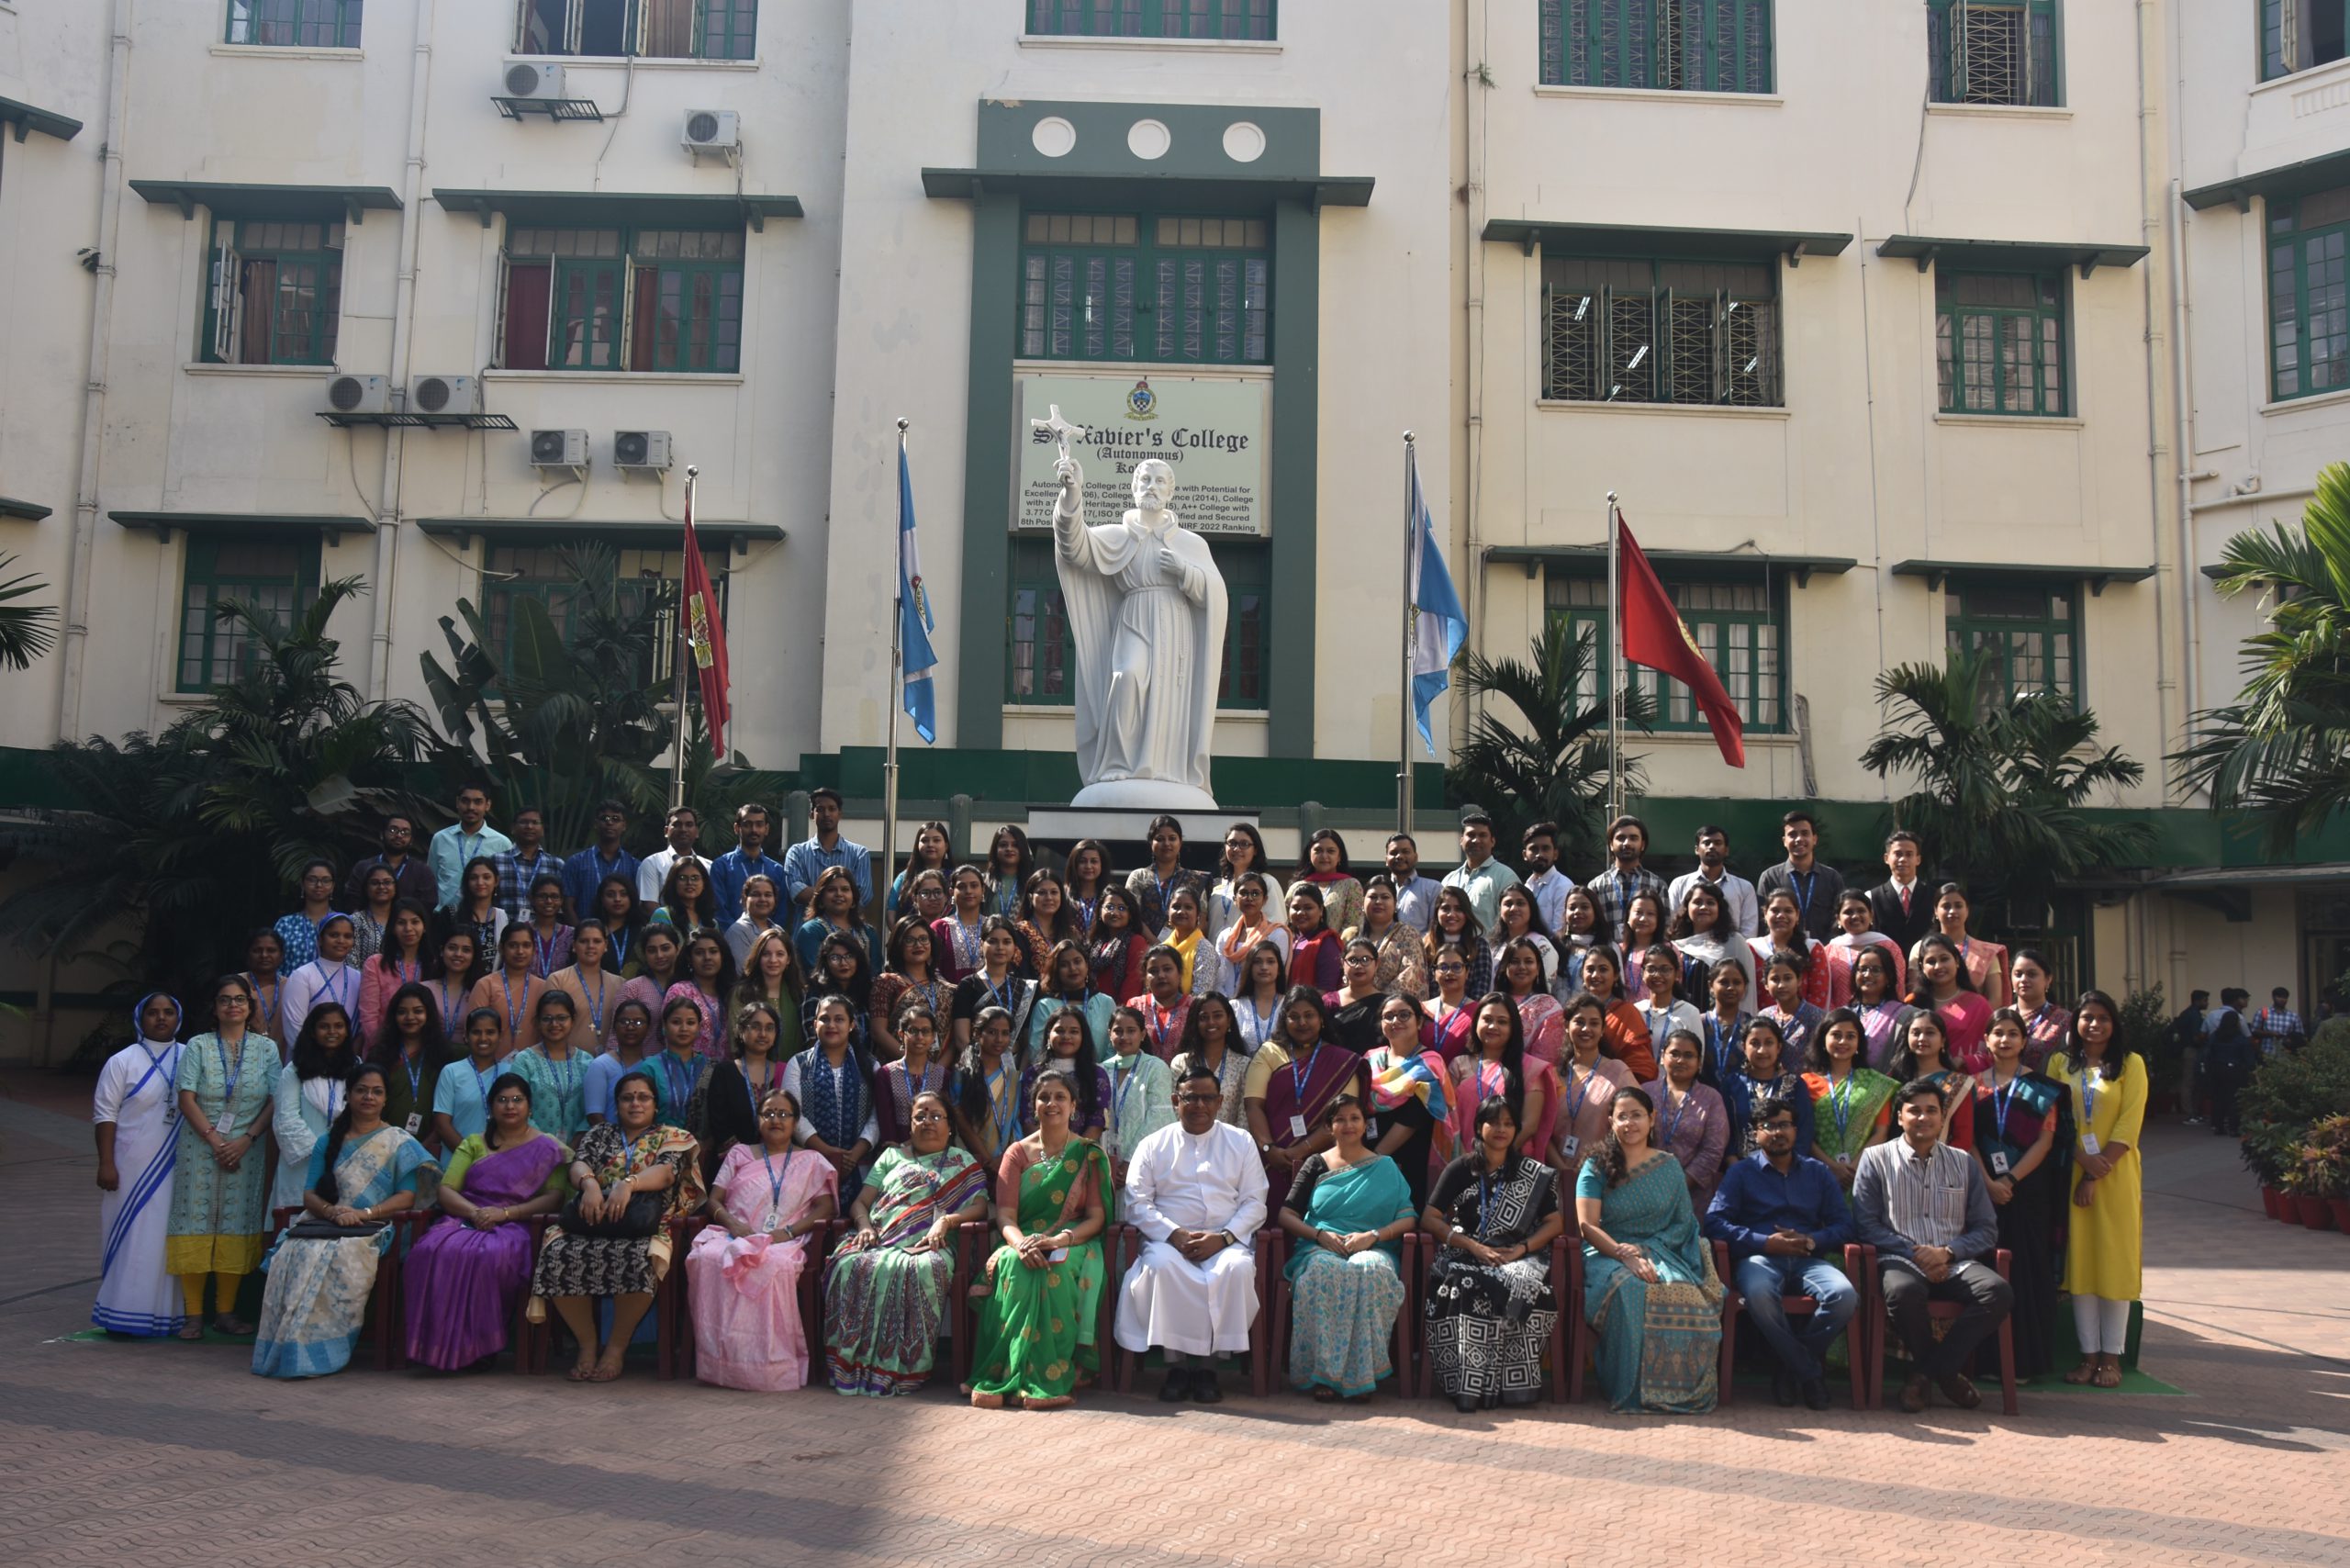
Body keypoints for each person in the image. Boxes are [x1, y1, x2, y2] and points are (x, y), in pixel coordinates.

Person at [250, 1063, 437, 1378]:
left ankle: (319, 1352)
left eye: (377, 1092)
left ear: (385, 1099)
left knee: (340, 1258)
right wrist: (333, 1211)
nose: (369, 1097)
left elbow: (407, 1197)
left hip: (373, 1229)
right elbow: (310, 1194)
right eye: (361, 1090)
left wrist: (363, 1214)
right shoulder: (327, 1140)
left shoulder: (398, 1141)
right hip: (327, 1222)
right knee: (295, 1255)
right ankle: (288, 1348)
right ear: (348, 1096)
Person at [1852, 1078, 2014, 1413]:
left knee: (1998, 1292)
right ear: (1900, 1117)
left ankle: (1928, 1372)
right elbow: (1866, 1224)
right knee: (1902, 1291)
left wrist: (1947, 1252)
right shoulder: (1875, 1158)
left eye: (1931, 1111)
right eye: (1914, 1111)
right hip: (1900, 1257)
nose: (1923, 1118)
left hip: (1954, 1258)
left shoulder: (1963, 1162)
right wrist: (1917, 1252)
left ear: (1943, 1118)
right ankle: (1945, 1373)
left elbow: (1986, 1228)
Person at [532, 1070, 705, 1383]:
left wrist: (629, 1184)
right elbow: (579, 1164)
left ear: (655, 1104)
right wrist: (589, 1185)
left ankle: (615, 1348)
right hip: (592, 1220)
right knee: (556, 1250)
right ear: (616, 1104)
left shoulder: (672, 1135)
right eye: (627, 1098)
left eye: (643, 1097)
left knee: (642, 1256)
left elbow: (667, 1173)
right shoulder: (600, 1135)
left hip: (646, 1225)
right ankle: (587, 1345)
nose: (635, 1104)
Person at [824, 1089, 991, 1396]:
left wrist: (946, 1220)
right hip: (880, 1239)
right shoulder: (891, 1156)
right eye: (920, 1116)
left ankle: (905, 1368)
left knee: (922, 1269)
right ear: (911, 1123)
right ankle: (854, 1365)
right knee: (850, 1264)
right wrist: (863, 1226)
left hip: (934, 1245)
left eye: (936, 1116)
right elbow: (861, 1202)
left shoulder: (963, 1160)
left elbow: (980, 1206)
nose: (928, 1122)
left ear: (950, 1126)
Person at [400, 1072, 572, 1372]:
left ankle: (479, 1349)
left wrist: (506, 1214)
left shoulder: (548, 1148)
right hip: (467, 1217)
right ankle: (433, 1349)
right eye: (502, 1100)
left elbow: (555, 1198)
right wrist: (475, 1213)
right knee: (428, 1250)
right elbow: (446, 1190)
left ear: (530, 1107)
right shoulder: (474, 1143)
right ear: (491, 1107)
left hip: (518, 1225)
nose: (510, 1106)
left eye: (517, 1100)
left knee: (487, 1256)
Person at [1116, 1070, 1269, 1404]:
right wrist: (1174, 1235)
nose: (1199, 1105)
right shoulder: (1153, 1144)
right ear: (1175, 1101)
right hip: (1168, 1241)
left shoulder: (1240, 1141)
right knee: (1161, 1268)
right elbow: (1137, 1204)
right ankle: (1178, 1367)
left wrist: (1225, 1238)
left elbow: (1255, 1203)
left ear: (1220, 1102)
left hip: (1226, 1240)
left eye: (1207, 1098)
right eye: (1190, 1097)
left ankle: (1208, 1370)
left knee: (1236, 1270)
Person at [1703, 1096, 1859, 1409]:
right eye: (1768, 1126)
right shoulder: (1742, 1174)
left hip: (1808, 1259)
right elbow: (1714, 1223)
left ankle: (1790, 1368)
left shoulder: (1818, 1173)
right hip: (1759, 1259)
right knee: (1760, 1295)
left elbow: (1845, 1225)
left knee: (1844, 1295)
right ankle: (1809, 1374)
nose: (1777, 1132)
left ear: (1795, 1130)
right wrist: (1764, 1242)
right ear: (1756, 1134)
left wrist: (1811, 1240)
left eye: (1784, 1125)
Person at [970, 1073, 1116, 1408]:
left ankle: (1050, 1378)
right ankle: (1006, 1374)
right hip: (1021, 1239)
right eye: (1044, 1097)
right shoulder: (1016, 1153)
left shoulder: (1088, 1154)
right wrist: (1021, 1244)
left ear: (1073, 1106)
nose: (1051, 1104)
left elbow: (1096, 1218)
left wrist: (1060, 1240)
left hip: (1073, 1241)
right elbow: (1005, 1216)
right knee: (1013, 1265)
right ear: (1033, 1106)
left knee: (1057, 1270)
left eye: (1060, 1097)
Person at [1577, 1086, 1725, 1413]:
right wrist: (1624, 1254)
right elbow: (1587, 1226)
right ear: (1611, 1121)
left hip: (1660, 1252)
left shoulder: (1669, 1166)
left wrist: (1647, 1250)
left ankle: (1680, 1394)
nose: (1630, 1123)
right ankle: (1630, 1391)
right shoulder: (1596, 1165)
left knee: (1685, 1294)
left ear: (1652, 1118)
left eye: (1637, 1115)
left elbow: (1683, 1224)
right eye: (1622, 1116)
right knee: (1631, 1290)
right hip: (1605, 1254)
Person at [685, 1088, 840, 1391]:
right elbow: (714, 1200)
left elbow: (826, 1207)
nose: (776, 1120)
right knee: (708, 1257)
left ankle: (768, 1367)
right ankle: (722, 1362)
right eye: (769, 1113)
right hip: (733, 1232)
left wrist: (789, 1232)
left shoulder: (810, 1160)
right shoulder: (740, 1153)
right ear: (758, 1121)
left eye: (784, 1114)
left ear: (796, 1122)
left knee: (771, 1264)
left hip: (784, 1240)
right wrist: (733, 1224)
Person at [1421, 1097, 1563, 1410]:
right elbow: (1430, 1217)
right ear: (1478, 1127)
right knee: (1467, 1284)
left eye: (1508, 1123)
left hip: (1516, 1256)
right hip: (1465, 1256)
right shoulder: (1461, 1168)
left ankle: (1507, 1388)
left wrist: (1522, 1249)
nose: (1501, 1129)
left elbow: (1555, 1223)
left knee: (1531, 1289)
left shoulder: (1531, 1172)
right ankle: (1470, 1386)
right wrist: (1472, 1246)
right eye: (1494, 1122)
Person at [1277, 1094, 1416, 1400]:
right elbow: (1286, 1214)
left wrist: (1374, 1236)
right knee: (1322, 1272)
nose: (1348, 1124)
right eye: (1340, 1119)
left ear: (1366, 1125)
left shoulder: (1386, 1166)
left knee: (1370, 1269)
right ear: (1329, 1127)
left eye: (1355, 1118)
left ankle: (1361, 1375)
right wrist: (1318, 1236)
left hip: (1372, 1246)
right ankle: (1325, 1375)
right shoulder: (1317, 1164)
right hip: (1322, 1247)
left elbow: (1408, 1217)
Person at [168, 976, 278, 1338]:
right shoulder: (197, 1046)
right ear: (214, 1008)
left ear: (250, 1007)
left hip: (248, 1148)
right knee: (194, 1223)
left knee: (236, 1222)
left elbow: (274, 1100)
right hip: (201, 1148)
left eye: (240, 1000)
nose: (233, 1006)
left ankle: (226, 1313)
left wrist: (246, 1139)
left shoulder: (267, 1049)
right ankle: (193, 1315)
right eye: (225, 1000)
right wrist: (217, 1142)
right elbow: (186, 1099)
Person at [2049, 990, 2144, 1388]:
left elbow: (2129, 1123)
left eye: (2103, 1018)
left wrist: (2094, 1172)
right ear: (2075, 1023)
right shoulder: (2060, 1063)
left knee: (2114, 1264)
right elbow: (2052, 1119)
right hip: (2071, 1170)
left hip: (2115, 1175)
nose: (2094, 1025)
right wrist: (2081, 1162)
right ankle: (2087, 1357)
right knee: (2082, 1265)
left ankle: (2112, 1358)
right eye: (2087, 1017)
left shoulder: (2131, 1065)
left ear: (2114, 1024)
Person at [1968, 1006, 2066, 1383]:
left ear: (2025, 1041)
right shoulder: (1972, 1085)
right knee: (1985, 1270)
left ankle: (2024, 1362)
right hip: (1981, 1192)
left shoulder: (2043, 1088)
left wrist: (2009, 1181)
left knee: (2026, 1272)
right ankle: (1986, 1361)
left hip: (2027, 1193)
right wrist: (1988, 1181)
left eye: (2013, 1033)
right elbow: (1968, 1140)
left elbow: (2046, 1140)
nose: (2005, 1040)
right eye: (1998, 1033)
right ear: (1986, 1040)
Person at [92, 994, 188, 1338]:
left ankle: (165, 1315)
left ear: (179, 1017)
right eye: (153, 1013)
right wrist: (106, 1163)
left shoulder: (192, 1056)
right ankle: (121, 1312)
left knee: (164, 1239)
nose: (160, 1018)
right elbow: (105, 1115)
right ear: (140, 1018)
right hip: (129, 1165)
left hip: (177, 1164)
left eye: (168, 1012)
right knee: (132, 1237)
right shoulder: (123, 1061)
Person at [1249, 987, 1371, 1184]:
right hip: (1271, 1159)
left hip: (1325, 1162)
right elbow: (1253, 1105)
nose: (1302, 1022)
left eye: (1309, 1015)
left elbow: (1344, 1114)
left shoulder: (1342, 1062)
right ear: (1284, 1020)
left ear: (1321, 1019)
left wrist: (1301, 1150)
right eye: (1294, 1016)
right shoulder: (1270, 1052)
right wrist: (1268, 1149)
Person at [270, 1002, 362, 1217]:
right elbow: (286, 1119)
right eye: (324, 1026)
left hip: (344, 1159)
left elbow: (361, 1113)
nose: (332, 1032)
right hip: (303, 1162)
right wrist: (321, 1154)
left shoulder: (356, 1066)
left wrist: (339, 1154)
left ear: (347, 1031)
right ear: (312, 1031)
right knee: (296, 1223)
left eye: (338, 1026)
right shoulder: (294, 1070)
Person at [1362, 993, 1450, 1212]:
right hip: (1365, 1153)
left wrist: (1375, 1159)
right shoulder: (1369, 1060)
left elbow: (1414, 1118)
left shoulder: (1429, 1064)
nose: (1395, 1021)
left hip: (1408, 1160)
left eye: (1404, 1015)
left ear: (1419, 1021)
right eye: (1388, 1016)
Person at [1448, 991, 1558, 1162]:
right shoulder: (1458, 1065)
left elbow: (1530, 1125)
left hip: (1510, 1165)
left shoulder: (1530, 1069)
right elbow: (1450, 1120)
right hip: (1462, 1162)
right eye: (1487, 1020)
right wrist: (1467, 1160)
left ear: (1513, 1027)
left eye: (1502, 1022)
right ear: (1476, 1022)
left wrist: (1495, 1160)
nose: (1493, 1027)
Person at [783, 993, 878, 1188]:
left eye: (839, 1019)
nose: (831, 1025)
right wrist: (826, 1151)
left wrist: (855, 1153)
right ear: (814, 1025)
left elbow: (878, 1115)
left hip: (862, 1165)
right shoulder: (798, 1064)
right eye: (824, 1019)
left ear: (851, 1025)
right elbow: (793, 1113)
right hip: (812, 1162)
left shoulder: (870, 1065)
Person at [1807, 1007, 1897, 1185]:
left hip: (1865, 1173)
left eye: (1850, 1036)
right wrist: (1831, 1166)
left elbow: (1881, 1132)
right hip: (1819, 1173)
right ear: (1823, 1040)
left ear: (1859, 1043)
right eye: (1836, 1035)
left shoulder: (1876, 1083)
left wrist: (1855, 1167)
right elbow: (1804, 1134)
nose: (1843, 1041)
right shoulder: (1805, 1083)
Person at [1646, 1031, 1730, 1204]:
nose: (1680, 1060)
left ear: (1699, 1063)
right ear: (1662, 1057)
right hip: (1644, 1188)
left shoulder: (1711, 1099)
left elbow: (1713, 1150)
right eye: (1674, 1053)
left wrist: (1680, 1185)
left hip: (1692, 1195)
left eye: (1688, 1055)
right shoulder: (1644, 1092)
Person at [1554, 991, 1636, 1170]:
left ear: (1603, 1030)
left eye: (1594, 1023)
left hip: (1602, 1173)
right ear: (1567, 1026)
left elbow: (1638, 1119)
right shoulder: (1554, 1075)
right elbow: (1542, 1130)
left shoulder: (1617, 1071)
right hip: (1556, 1174)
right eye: (1579, 1022)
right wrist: (1561, 1168)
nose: (1586, 1029)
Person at [371, 982, 455, 1148]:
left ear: (429, 1014)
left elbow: (447, 1107)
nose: (410, 1017)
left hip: (430, 1145)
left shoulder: (443, 1054)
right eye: (402, 1012)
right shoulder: (380, 1055)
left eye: (418, 1011)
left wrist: (425, 1147)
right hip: (382, 1145)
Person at [1723, 1014, 1816, 1166]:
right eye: (1754, 1043)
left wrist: (1787, 1168)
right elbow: (1725, 1133)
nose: (1762, 1050)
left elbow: (1804, 1132)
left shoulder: (1795, 1085)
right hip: (1741, 1170)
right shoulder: (1732, 1084)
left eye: (1769, 1043)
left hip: (1787, 1171)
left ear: (1778, 1047)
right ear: (1744, 1047)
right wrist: (1737, 1168)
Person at [1102, 1006, 1178, 1189]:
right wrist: (1105, 1164)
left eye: (1131, 1031)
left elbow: (1158, 1119)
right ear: (1109, 1034)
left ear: (1143, 1034)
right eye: (1118, 1031)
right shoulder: (1101, 1070)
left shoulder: (1156, 1068)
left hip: (1145, 1163)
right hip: (1105, 1164)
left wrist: (1130, 1162)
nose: (1124, 1037)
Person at [1888, 1002, 1977, 1152]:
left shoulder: (1958, 1084)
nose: (1922, 1038)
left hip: (1942, 1166)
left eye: (1930, 1033)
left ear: (1943, 1041)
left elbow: (1963, 1137)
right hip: (1895, 1164)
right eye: (1916, 1033)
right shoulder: (1893, 1079)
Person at [949, 1005, 1025, 1174]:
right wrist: (987, 1160)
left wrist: (1007, 1157)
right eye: (992, 1032)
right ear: (977, 1034)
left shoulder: (1014, 1078)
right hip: (970, 1159)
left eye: (1005, 1033)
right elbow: (962, 1123)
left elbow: (1016, 1123)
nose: (999, 1039)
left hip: (1007, 1161)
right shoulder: (962, 1074)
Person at [1753, 810, 1847, 944]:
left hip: (1824, 951)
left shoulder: (1832, 877)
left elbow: (1840, 917)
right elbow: (1763, 922)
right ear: (1784, 841)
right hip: (1782, 955)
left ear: (1814, 839)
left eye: (1805, 833)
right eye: (1792, 835)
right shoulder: (1770, 877)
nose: (1799, 839)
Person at [1019, 1007, 1112, 1137]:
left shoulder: (1097, 1074)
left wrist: (1074, 1153)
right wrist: (1047, 1152)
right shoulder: (1033, 1074)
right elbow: (1027, 1119)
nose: (1066, 1036)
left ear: (1083, 1037)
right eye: (1059, 1031)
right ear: (1048, 1035)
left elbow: (1097, 1121)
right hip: (1040, 1152)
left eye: (1074, 1032)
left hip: (1082, 1152)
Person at [279, 913, 362, 1059]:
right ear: (320, 940)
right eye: (334, 935)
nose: (341, 941)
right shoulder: (302, 976)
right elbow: (294, 1029)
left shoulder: (358, 977)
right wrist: (319, 1060)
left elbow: (360, 1028)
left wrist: (347, 1058)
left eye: (347, 936)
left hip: (345, 1064)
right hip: (307, 1062)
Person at [510, 990, 591, 1139]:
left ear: (572, 1020)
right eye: (547, 1019)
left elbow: (592, 1111)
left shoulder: (587, 1061)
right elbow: (517, 1108)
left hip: (579, 1150)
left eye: (561, 1018)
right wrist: (547, 1145)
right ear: (538, 1022)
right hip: (534, 1147)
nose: (554, 1024)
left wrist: (576, 1144)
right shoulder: (524, 1061)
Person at [782, 787, 873, 919]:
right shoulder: (797, 853)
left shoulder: (859, 854)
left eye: (832, 809)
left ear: (840, 814)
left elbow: (862, 895)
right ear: (811, 814)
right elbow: (796, 891)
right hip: (807, 933)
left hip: (846, 935)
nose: (827, 814)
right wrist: (840, 896)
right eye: (820, 809)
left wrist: (818, 894)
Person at [1169, 992, 1254, 1129]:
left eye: (1217, 1015)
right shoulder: (1181, 1063)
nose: (1211, 1022)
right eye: (1204, 1017)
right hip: (1188, 1142)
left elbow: (1243, 1117)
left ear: (1229, 1020)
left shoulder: (1243, 1064)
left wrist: (1235, 1146)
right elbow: (1175, 1110)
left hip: (1228, 1144)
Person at [465, 923, 549, 1060]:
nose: (520, 951)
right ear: (501, 948)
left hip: (533, 1067)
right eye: (513, 945)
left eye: (526, 945)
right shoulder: (486, 985)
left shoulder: (543, 987)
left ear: (534, 950)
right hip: (490, 1066)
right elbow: (474, 1031)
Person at [1910, 933, 1992, 1073]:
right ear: (1922, 967)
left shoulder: (1978, 1005)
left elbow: (1994, 1051)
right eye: (1931, 961)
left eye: (1944, 959)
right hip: (1921, 1085)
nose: (1938, 966)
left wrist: (1964, 1060)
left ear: (1957, 961)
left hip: (1965, 1084)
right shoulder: (1913, 1003)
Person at [355, 898, 431, 1048]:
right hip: (382, 1051)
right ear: (392, 928)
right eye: (401, 923)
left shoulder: (433, 965)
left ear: (424, 927)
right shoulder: (375, 964)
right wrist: (384, 1049)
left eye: (415, 922)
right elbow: (369, 1017)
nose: (408, 928)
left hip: (423, 1054)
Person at [872, 1002, 950, 1148]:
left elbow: (945, 1121)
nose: (920, 1037)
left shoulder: (943, 1076)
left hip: (933, 1150)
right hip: (895, 1152)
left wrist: (909, 1145)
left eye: (925, 1031)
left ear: (933, 1037)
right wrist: (899, 1148)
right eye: (913, 1031)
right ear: (901, 1034)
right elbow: (884, 1119)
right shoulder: (886, 1074)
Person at [430, 783, 515, 911]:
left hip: (483, 917)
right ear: (457, 803)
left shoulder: (502, 843)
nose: (471, 807)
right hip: (443, 917)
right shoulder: (440, 839)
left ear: (487, 805)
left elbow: (504, 886)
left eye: (478, 802)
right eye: (465, 801)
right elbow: (432, 881)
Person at [1672, 882, 1755, 1013]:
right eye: (1697, 902)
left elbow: (1747, 989)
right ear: (1687, 907)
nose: (1703, 907)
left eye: (1710, 903)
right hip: (1683, 1021)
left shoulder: (1734, 942)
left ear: (1719, 909)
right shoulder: (1676, 945)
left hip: (1719, 1023)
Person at [434, 1008, 509, 1152]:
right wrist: (471, 1157)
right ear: (466, 1036)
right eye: (476, 1032)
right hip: (457, 1161)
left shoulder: (509, 1072)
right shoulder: (451, 1072)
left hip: (500, 1163)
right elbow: (442, 1124)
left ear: (500, 1036)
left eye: (490, 1032)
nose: (483, 1038)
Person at [1125, 815, 1214, 937]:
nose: (1166, 843)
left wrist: (1180, 947)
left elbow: (1202, 921)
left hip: (1186, 950)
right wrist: (1156, 946)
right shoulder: (1138, 877)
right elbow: (1133, 917)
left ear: (1180, 842)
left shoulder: (1195, 880)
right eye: (1160, 839)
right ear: (1151, 842)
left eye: (1172, 838)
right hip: (1147, 950)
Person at [1668, 823, 1760, 939]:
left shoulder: (1744, 887)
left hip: (1732, 953)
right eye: (1706, 843)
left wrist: (1737, 951)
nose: (1712, 847)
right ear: (1697, 849)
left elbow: (1749, 933)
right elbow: (1673, 925)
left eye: (1718, 843)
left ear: (1726, 850)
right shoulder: (1679, 885)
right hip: (1687, 952)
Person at [1753, 888, 1840, 1011]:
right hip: (1761, 1024)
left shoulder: (1812, 948)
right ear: (1765, 914)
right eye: (1775, 910)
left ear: (1797, 915)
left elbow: (1819, 996)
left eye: (1788, 911)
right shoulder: (1753, 948)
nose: (1781, 916)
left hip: (1805, 1026)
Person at [1585, 813, 1666, 942]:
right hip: (1607, 957)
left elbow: (1664, 928)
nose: (1627, 843)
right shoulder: (1596, 886)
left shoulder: (1657, 885)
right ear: (1611, 844)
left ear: (1642, 845)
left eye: (1633, 838)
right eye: (1621, 838)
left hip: (1645, 957)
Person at [550, 919, 624, 1055]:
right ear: (574, 945)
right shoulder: (558, 980)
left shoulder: (620, 984)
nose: (590, 946)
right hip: (568, 1061)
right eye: (584, 941)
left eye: (597, 941)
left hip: (610, 1063)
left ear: (606, 945)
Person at [1349, 874, 1428, 1001]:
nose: (1378, 901)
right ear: (1362, 903)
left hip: (1392, 1012)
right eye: (1373, 897)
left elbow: (1411, 976)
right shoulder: (1352, 936)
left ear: (1396, 903)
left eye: (1385, 897)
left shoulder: (1408, 934)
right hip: (1353, 1006)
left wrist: (1374, 1002)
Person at [710, 802, 789, 928]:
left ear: (766, 829)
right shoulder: (721, 866)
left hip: (768, 943)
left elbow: (781, 913)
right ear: (737, 828)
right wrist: (738, 935)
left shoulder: (777, 870)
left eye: (759, 824)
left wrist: (769, 937)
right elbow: (719, 911)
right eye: (747, 824)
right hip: (732, 941)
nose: (754, 830)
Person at [1443, 811, 1522, 935]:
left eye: (1482, 835)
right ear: (1461, 840)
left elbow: (1515, 923)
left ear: (1493, 841)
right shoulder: (1449, 880)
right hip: (1453, 952)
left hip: (1489, 953)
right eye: (1471, 835)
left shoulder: (1505, 877)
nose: (1476, 840)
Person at [1931, 884, 2009, 1010]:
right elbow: (1917, 994)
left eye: (1958, 906)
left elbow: (1995, 999)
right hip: (1931, 1024)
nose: (1952, 911)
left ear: (1967, 910)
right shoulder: (1921, 950)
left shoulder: (1987, 953)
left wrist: (1972, 1022)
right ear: (1935, 911)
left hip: (1976, 1025)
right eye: (1946, 906)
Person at [562, 800, 640, 923]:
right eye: (604, 818)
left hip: (622, 937)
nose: (610, 823)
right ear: (596, 824)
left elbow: (637, 906)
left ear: (624, 825)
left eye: (615, 819)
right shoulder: (576, 862)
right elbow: (567, 905)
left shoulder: (634, 866)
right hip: (585, 938)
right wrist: (580, 933)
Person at [666, 925, 738, 1058]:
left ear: (722, 955)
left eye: (713, 951)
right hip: (689, 1071)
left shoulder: (732, 993)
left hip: (726, 1072)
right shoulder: (680, 991)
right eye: (699, 953)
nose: (707, 958)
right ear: (689, 958)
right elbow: (670, 1038)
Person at [345, 813, 439, 913]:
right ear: (382, 835)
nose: (399, 835)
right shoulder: (363, 867)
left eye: (405, 832)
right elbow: (352, 900)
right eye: (393, 830)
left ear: (411, 841)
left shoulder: (422, 871)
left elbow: (428, 904)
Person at [583, 998, 656, 1126]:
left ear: (648, 1028)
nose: (630, 1027)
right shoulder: (600, 1065)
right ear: (614, 1027)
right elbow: (594, 1115)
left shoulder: (653, 1066)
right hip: (608, 1140)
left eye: (638, 1022)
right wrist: (617, 1141)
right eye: (624, 1021)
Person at [1865, 830, 1935, 958]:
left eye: (1909, 854)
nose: (1903, 859)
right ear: (1887, 858)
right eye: (1897, 854)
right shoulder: (1871, 898)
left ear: (1918, 859)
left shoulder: (1935, 897)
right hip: (1885, 970)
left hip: (1926, 969)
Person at [1636, 946, 1706, 1076]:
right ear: (1642, 973)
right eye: (1651, 969)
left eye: (1665, 969)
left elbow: (1697, 1061)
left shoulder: (1689, 1013)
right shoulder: (1635, 1011)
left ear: (1677, 974)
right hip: (1638, 1086)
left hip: (1675, 1089)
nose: (1657, 975)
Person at [1209, 824, 1283, 941]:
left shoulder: (1268, 882)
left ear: (1255, 850)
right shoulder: (1218, 885)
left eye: (1244, 844)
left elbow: (1276, 931)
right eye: (1232, 843)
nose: (1237, 849)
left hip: (1247, 956)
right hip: (1215, 955)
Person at [491, 807, 564, 924]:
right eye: (523, 822)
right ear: (513, 828)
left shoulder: (556, 864)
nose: (529, 826)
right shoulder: (497, 861)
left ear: (543, 830)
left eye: (535, 823)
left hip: (542, 933)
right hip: (503, 932)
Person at [1831, 889, 1908, 997]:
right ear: (1838, 919)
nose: (1855, 916)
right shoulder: (1830, 951)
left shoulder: (1889, 947)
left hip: (1884, 1012)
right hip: (1840, 1012)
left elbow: (1898, 988)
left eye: (1861, 911)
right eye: (1848, 912)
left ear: (1871, 915)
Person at [1293, 828, 1366, 943]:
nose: (1324, 856)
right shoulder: (1296, 888)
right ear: (1309, 853)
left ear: (1339, 856)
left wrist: (1329, 948)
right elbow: (1289, 925)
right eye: (1318, 850)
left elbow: (1353, 926)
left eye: (1331, 851)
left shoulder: (1351, 885)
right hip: (1300, 952)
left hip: (1336, 953)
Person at [1758, 948, 1828, 1067]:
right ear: (1765, 984)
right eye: (1775, 979)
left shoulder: (1817, 1018)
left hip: (1807, 1084)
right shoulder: (1764, 1017)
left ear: (1799, 980)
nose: (1781, 985)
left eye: (1788, 978)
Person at [1127, 943, 1194, 1063]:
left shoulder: (1193, 1007)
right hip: (1141, 1077)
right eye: (1153, 971)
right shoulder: (1135, 1006)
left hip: (1182, 1078)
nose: (1161, 975)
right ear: (1145, 977)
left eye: (1167, 969)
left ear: (1179, 973)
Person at [1013, 868, 1084, 980]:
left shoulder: (1072, 933)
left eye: (1054, 892)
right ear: (1030, 897)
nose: (1049, 898)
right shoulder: (1020, 932)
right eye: (1042, 893)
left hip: (1068, 996)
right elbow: (1020, 975)